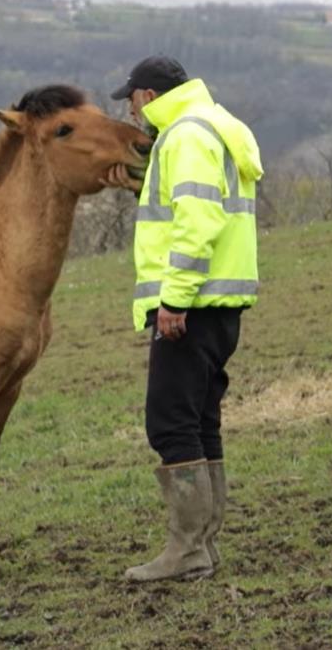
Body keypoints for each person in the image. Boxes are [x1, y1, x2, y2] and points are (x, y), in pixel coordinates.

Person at [102, 56, 263, 581]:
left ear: (148, 96)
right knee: (199, 421)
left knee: (170, 422)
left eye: (132, 98)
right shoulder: (217, 124)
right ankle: (204, 545)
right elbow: (190, 206)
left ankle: (187, 549)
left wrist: (174, 299)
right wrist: (139, 185)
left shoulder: (185, 136)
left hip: (191, 306)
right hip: (220, 304)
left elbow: (198, 222)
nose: (132, 110)